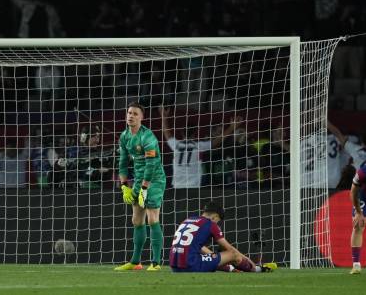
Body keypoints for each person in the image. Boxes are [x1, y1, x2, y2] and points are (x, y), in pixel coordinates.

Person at [114, 102, 165, 271]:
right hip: (138, 180)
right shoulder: (124, 136)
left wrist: (144, 189)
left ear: (142, 117)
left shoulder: (148, 137)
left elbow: (151, 165)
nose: (131, 116)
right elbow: (122, 163)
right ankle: (135, 262)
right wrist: (123, 186)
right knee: (136, 220)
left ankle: (156, 263)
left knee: (152, 219)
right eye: (129, 113)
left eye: (135, 114)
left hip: (154, 180)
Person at [169, 201, 277, 273]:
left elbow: (199, 247)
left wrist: (216, 258)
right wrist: (249, 261)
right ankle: (258, 269)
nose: (217, 223)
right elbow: (230, 250)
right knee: (232, 255)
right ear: (215, 216)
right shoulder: (210, 224)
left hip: (174, 266)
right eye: (218, 220)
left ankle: (230, 268)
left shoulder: (188, 220)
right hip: (191, 265)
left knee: (214, 257)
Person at [160, 106, 241, 188]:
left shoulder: (176, 145)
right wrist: (231, 127)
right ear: (195, 135)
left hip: (177, 186)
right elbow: (218, 141)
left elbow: (166, 132)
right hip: (193, 185)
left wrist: (164, 118)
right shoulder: (199, 146)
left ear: (181, 133)